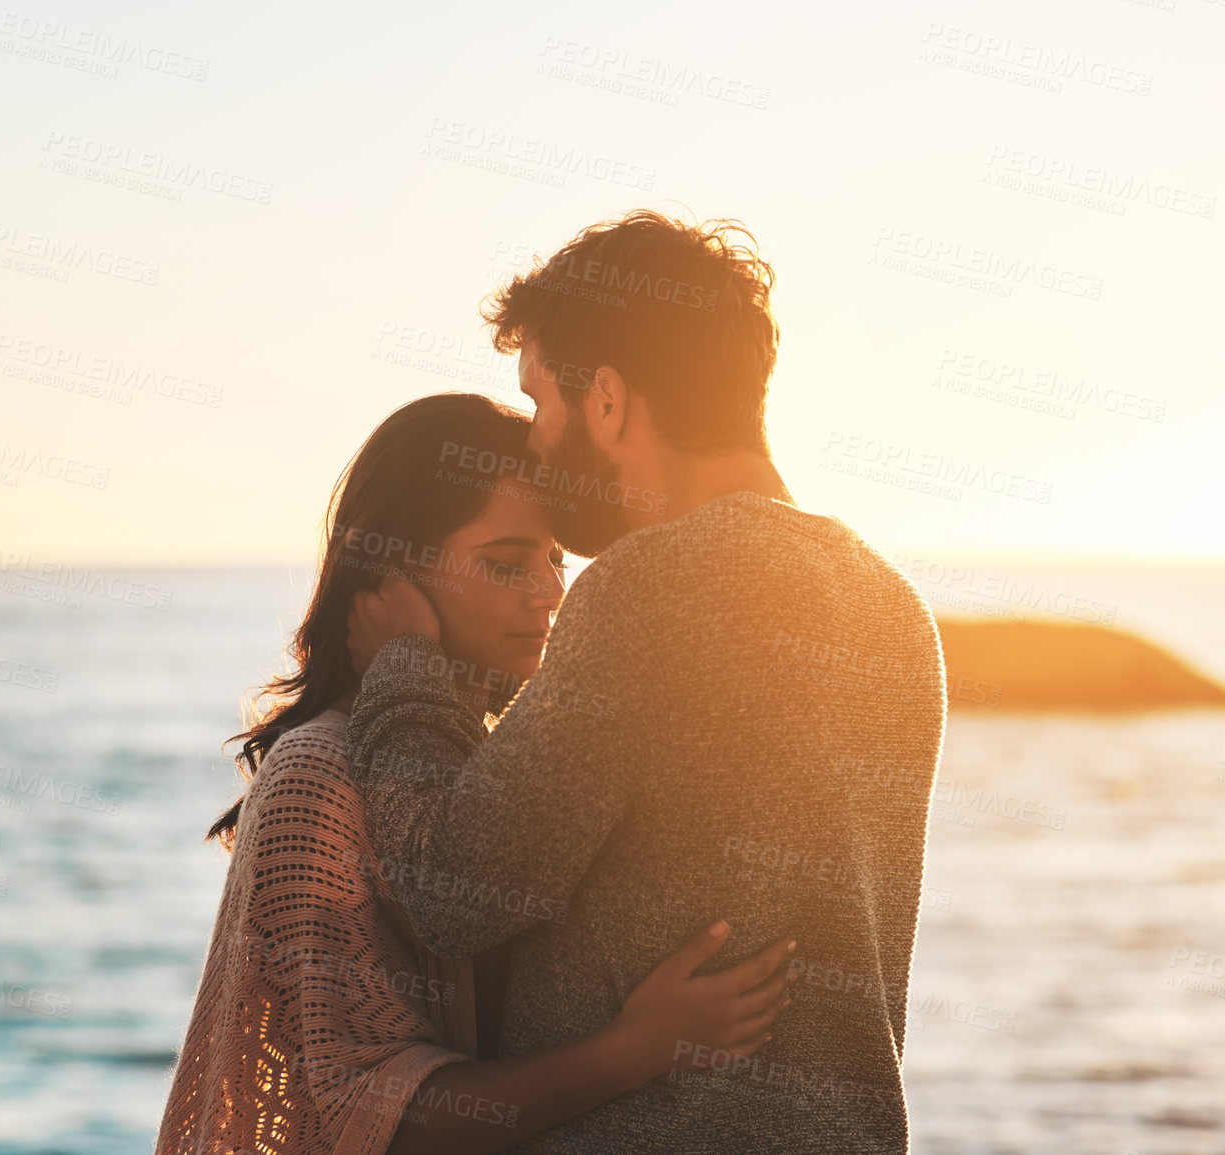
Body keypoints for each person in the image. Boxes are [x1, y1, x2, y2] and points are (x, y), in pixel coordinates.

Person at [345, 211, 949, 1152]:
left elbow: (447, 890)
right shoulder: (891, 605)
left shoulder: (651, 586)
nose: (537, 445)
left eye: (541, 400)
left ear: (610, 402)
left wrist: (402, 669)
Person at [156, 393, 795, 1155]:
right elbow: (370, 1116)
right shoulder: (318, 778)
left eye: (554, 559)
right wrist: (633, 1050)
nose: (551, 592)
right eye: (505, 563)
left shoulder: (489, 765)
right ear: (388, 572)